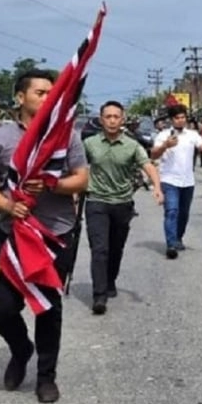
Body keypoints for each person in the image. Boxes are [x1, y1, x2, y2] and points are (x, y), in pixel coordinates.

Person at [0, 69, 89, 403]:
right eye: (40, 92)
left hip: (55, 234)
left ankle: (46, 377)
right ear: (20, 97)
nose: (48, 97)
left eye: (52, 93)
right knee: (4, 309)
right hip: (12, 235)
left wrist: (54, 184)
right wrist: (8, 206)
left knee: (49, 310)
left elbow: (81, 179)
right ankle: (21, 349)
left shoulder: (67, 137)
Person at [83, 101, 163, 315]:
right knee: (100, 249)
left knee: (115, 248)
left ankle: (110, 281)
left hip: (122, 203)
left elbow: (148, 165)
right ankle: (99, 295)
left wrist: (157, 187)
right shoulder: (90, 144)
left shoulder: (132, 145)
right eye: (107, 116)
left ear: (122, 119)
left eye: (115, 117)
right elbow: (78, 169)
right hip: (96, 201)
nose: (111, 120)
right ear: (101, 120)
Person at [150, 104, 202, 259]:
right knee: (171, 211)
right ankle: (171, 244)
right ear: (171, 120)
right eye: (177, 118)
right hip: (169, 180)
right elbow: (153, 155)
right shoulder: (163, 135)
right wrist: (166, 145)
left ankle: (178, 237)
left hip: (187, 181)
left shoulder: (192, 134)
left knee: (183, 214)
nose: (180, 121)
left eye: (182, 117)